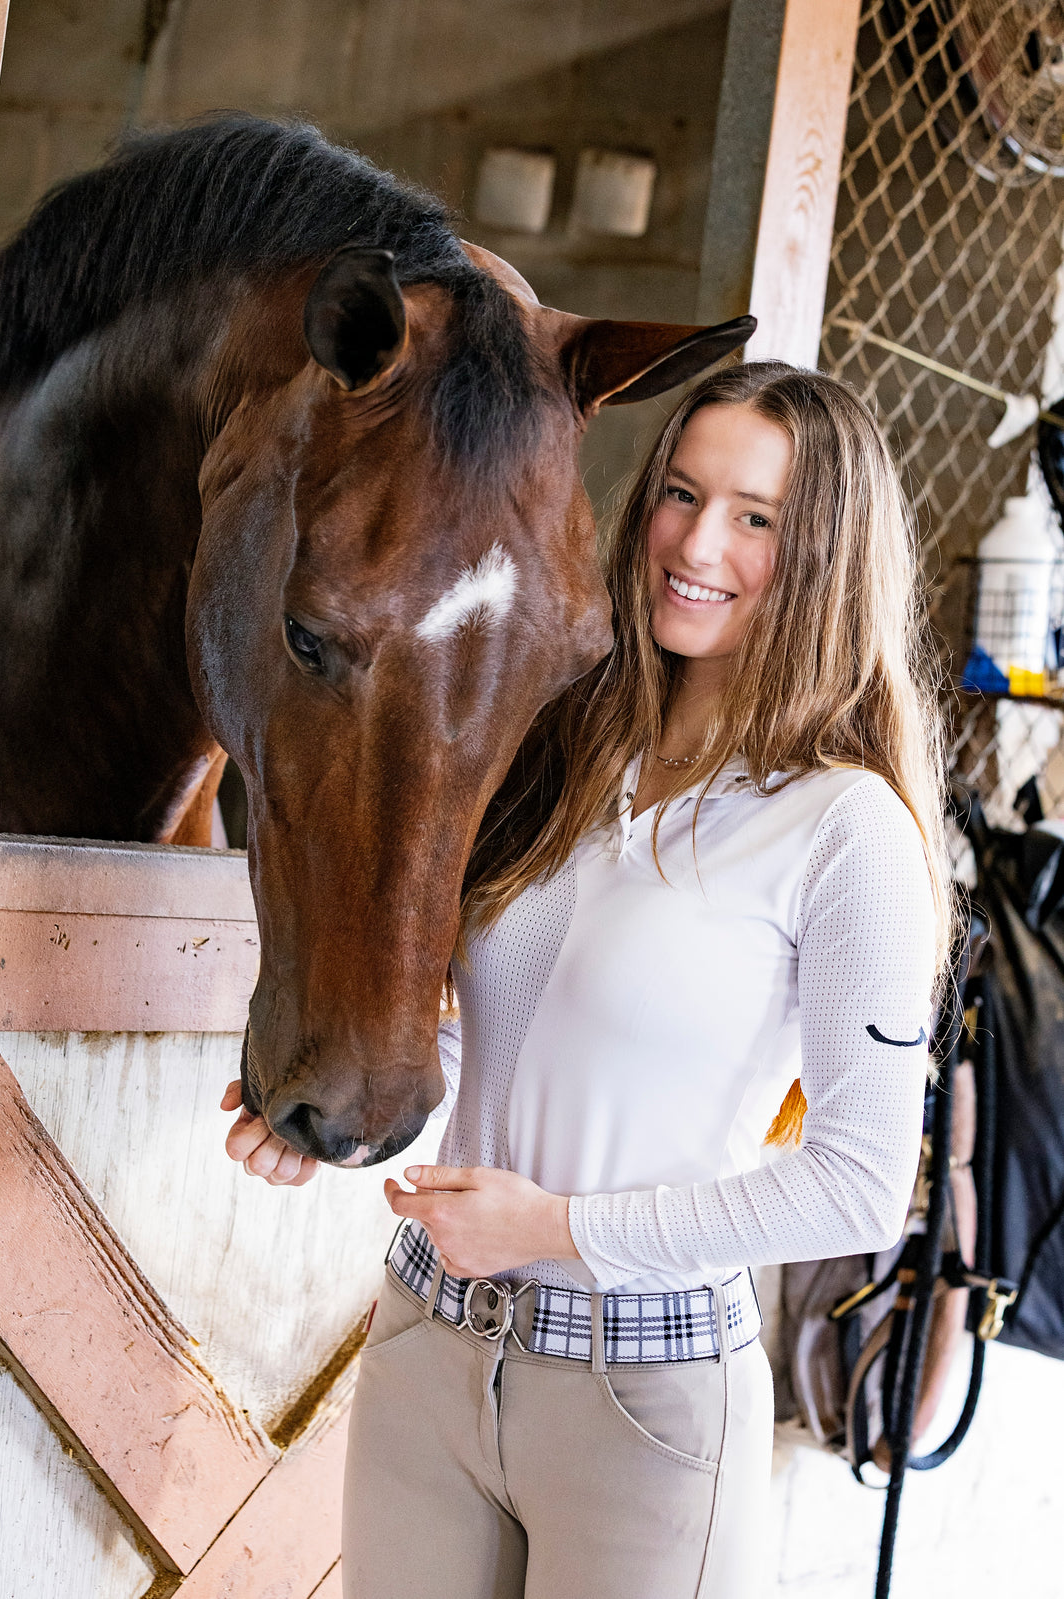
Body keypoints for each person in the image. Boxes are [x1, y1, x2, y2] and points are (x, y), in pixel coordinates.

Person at [222, 361, 952, 1598]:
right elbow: (508, 1036)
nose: (694, 541)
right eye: (678, 492)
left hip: (644, 1406)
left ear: (826, 553)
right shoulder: (564, 754)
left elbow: (861, 1187)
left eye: (755, 516)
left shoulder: (847, 832)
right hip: (428, 1358)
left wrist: (556, 1229)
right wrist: (330, 1117)